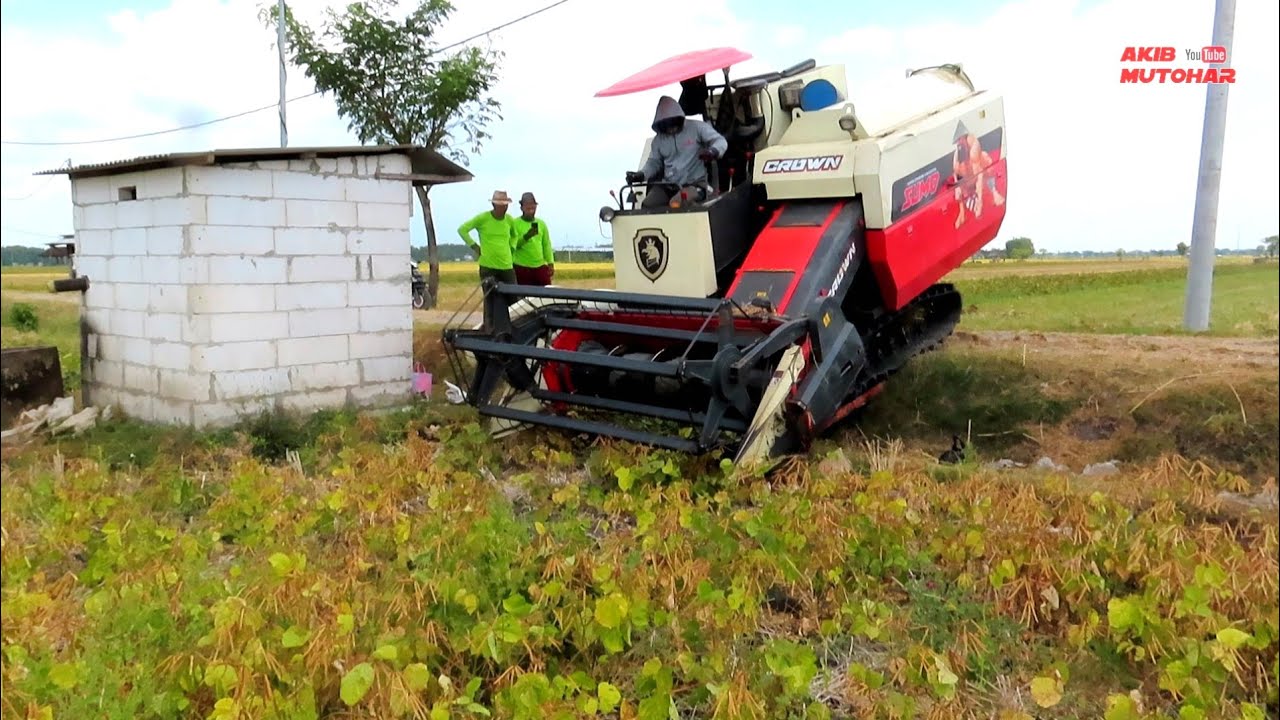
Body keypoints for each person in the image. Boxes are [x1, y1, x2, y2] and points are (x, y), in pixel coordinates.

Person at [625, 95, 728, 209]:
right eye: (666, 124)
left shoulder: (697, 128)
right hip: (670, 185)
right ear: (660, 124)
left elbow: (720, 140)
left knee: (676, 204)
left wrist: (713, 151)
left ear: (679, 118)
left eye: (673, 122)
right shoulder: (658, 140)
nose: (671, 128)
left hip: (696, 184)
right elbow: (653, 162)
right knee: (648, 205)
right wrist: (640, 175)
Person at [457, 190, 519, 284]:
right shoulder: (483, 218)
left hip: (506, 266)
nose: (504, 208)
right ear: (494, 205)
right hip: (488, 266)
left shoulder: (509, 220)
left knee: (514, 297)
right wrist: (475, 246)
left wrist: (512, 247)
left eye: (506, 205)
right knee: (491, 297)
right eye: (501, 205)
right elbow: (462, 230)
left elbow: (515, 235)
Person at [509, 191, 555, 286]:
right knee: (523, 298)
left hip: (540, 266)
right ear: (522, 208)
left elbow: (546, 245)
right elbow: (512, 245)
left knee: (546, 296)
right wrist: (527, 236)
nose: (531, 209)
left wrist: (550, 262)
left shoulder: (541, 224)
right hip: (521, 267)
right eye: (528, 206)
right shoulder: (514, 223)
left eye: (533, 206)